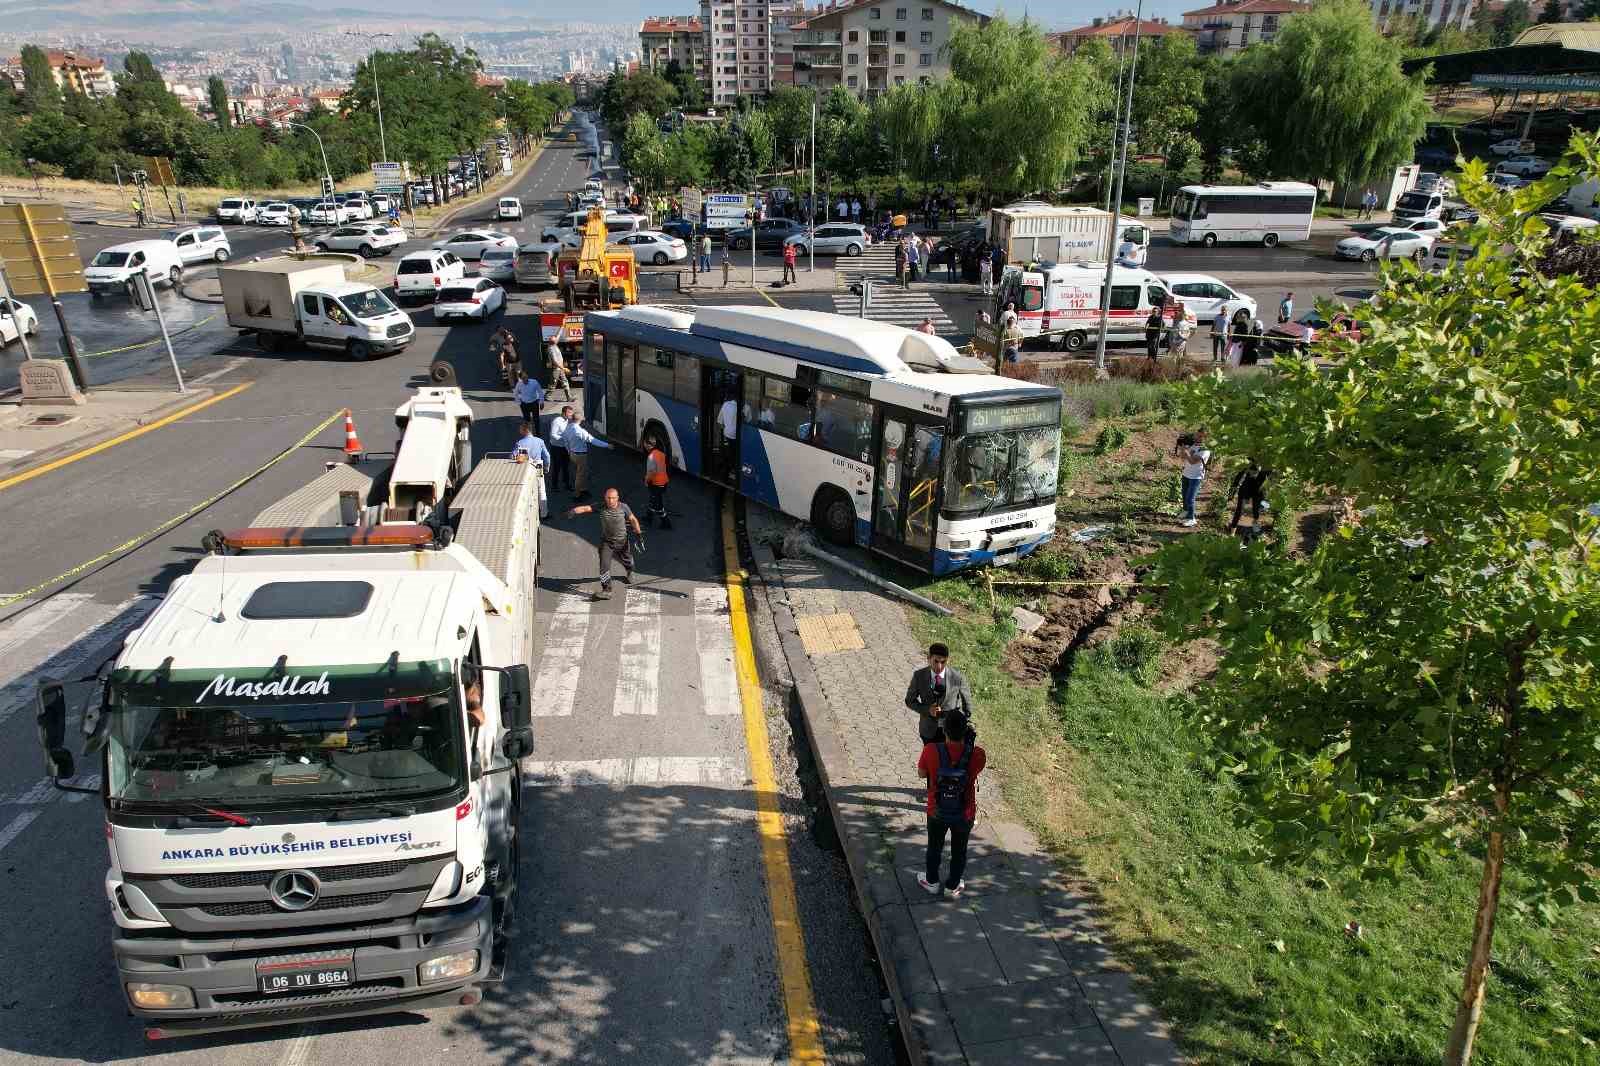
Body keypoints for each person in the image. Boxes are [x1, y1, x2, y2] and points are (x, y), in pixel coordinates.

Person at [916, 708, 985, 899]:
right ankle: (952, 886)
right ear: (966, 731)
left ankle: (931, 881)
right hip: (965, 812)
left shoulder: (930, 750)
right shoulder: (978, 754)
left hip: (936, 809)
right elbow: (976, 770)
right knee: (959, 851)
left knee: (934, 847)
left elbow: (921, 773)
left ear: (944, 730)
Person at [568, 487, 644, 599]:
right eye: (608, 498)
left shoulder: (624, 507)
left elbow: (633, 519)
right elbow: (586, 508)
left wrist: (639, 536)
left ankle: (630, 571)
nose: (611, 501)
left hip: (621, 541)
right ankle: (607, 590)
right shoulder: (601, 506)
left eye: (613, 498)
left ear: (617, 498)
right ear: (605, 498)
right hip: (607, 543)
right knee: (604, 566)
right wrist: (573, 511)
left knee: (627, 559)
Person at [904, 642, 973, 744]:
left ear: (948, 660)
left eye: (943, 662)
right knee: (932, 758)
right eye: (936, 661)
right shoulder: (919, 676)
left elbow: (967, 706)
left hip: (952, 733)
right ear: (929, 658)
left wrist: (959, 722)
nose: (939, 666)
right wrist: (927, 710)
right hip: (928, 731)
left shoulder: (957, 678)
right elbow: (909, 701)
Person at [563, 413, 611, 500]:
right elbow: (593, 440)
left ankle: (583, 489)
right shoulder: (580, 431)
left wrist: (569, 451)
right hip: (580, 455)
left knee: (580, 473)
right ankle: (577, 495)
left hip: (572, 454)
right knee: (580, 475)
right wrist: (607, 445)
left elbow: (565, 441)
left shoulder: (568, 427)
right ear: (580, 420)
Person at [513, 421, 552, 519]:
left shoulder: (520, 443)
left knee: (526, 489)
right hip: (538, 466)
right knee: (541, 489)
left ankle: (527, 513)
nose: (519, 430)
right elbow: (547, 456)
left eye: (521, 429)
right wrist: (547, 467)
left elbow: (513, 456)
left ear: (525, 430)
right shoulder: (540, 441)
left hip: (525, 467)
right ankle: (544, 513)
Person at [1228, 460, 1271, 536]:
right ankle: (1232, 533)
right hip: (1246, 488)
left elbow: (1269, 479)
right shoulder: (1252, 458)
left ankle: (1255, 531)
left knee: (1256, 511)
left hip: (1258, 491)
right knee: (1239, 510)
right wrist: (1232, 490)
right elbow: (1240, 474)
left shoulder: (1270, 463)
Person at [1179, 436, 1211, 527]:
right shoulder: (1192, 446)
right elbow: (1182, 457)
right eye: (1197, 435)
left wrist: (1186, 452)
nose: (1198, 438)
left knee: (1190, 498)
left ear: (1206, 438)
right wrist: (1182, 449)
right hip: (1186, 474)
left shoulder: (1205, 450)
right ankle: (1185, 511)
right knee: (1184, 494)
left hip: (1196, 477)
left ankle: (1191, 518)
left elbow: (1193, 461)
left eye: (1201, 436)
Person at [643, 434, 671, 529]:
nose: (644, 445)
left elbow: (652, 472)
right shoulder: (660, 453)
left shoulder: (651, 457)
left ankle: (666, 523)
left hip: (657, 484)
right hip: (664, 482)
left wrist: (646, 480)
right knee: (653, 500)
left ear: (648, 445)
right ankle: (648, 517)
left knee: (658, 505)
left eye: (644, 443)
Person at [548, 405, 574, 492]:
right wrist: (564, 438)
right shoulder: (556, 421)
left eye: (571, 413)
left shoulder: (568, 421)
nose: (571, 415)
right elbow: (553, 434)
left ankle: (566, 484)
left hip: (565, 447)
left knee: (566, 467)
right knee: (556, 467)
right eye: (569, 413)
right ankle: (554, 486)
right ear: (563, 413)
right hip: (556, 448)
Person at [717, 391, 739, 483]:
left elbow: (719, 422)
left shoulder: (725, 405)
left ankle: (726, 470)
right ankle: (733, 470)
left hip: (727, 434)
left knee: (728, 451)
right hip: (736, 436)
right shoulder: (743, 407)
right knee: (734, 453)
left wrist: (725, 430)